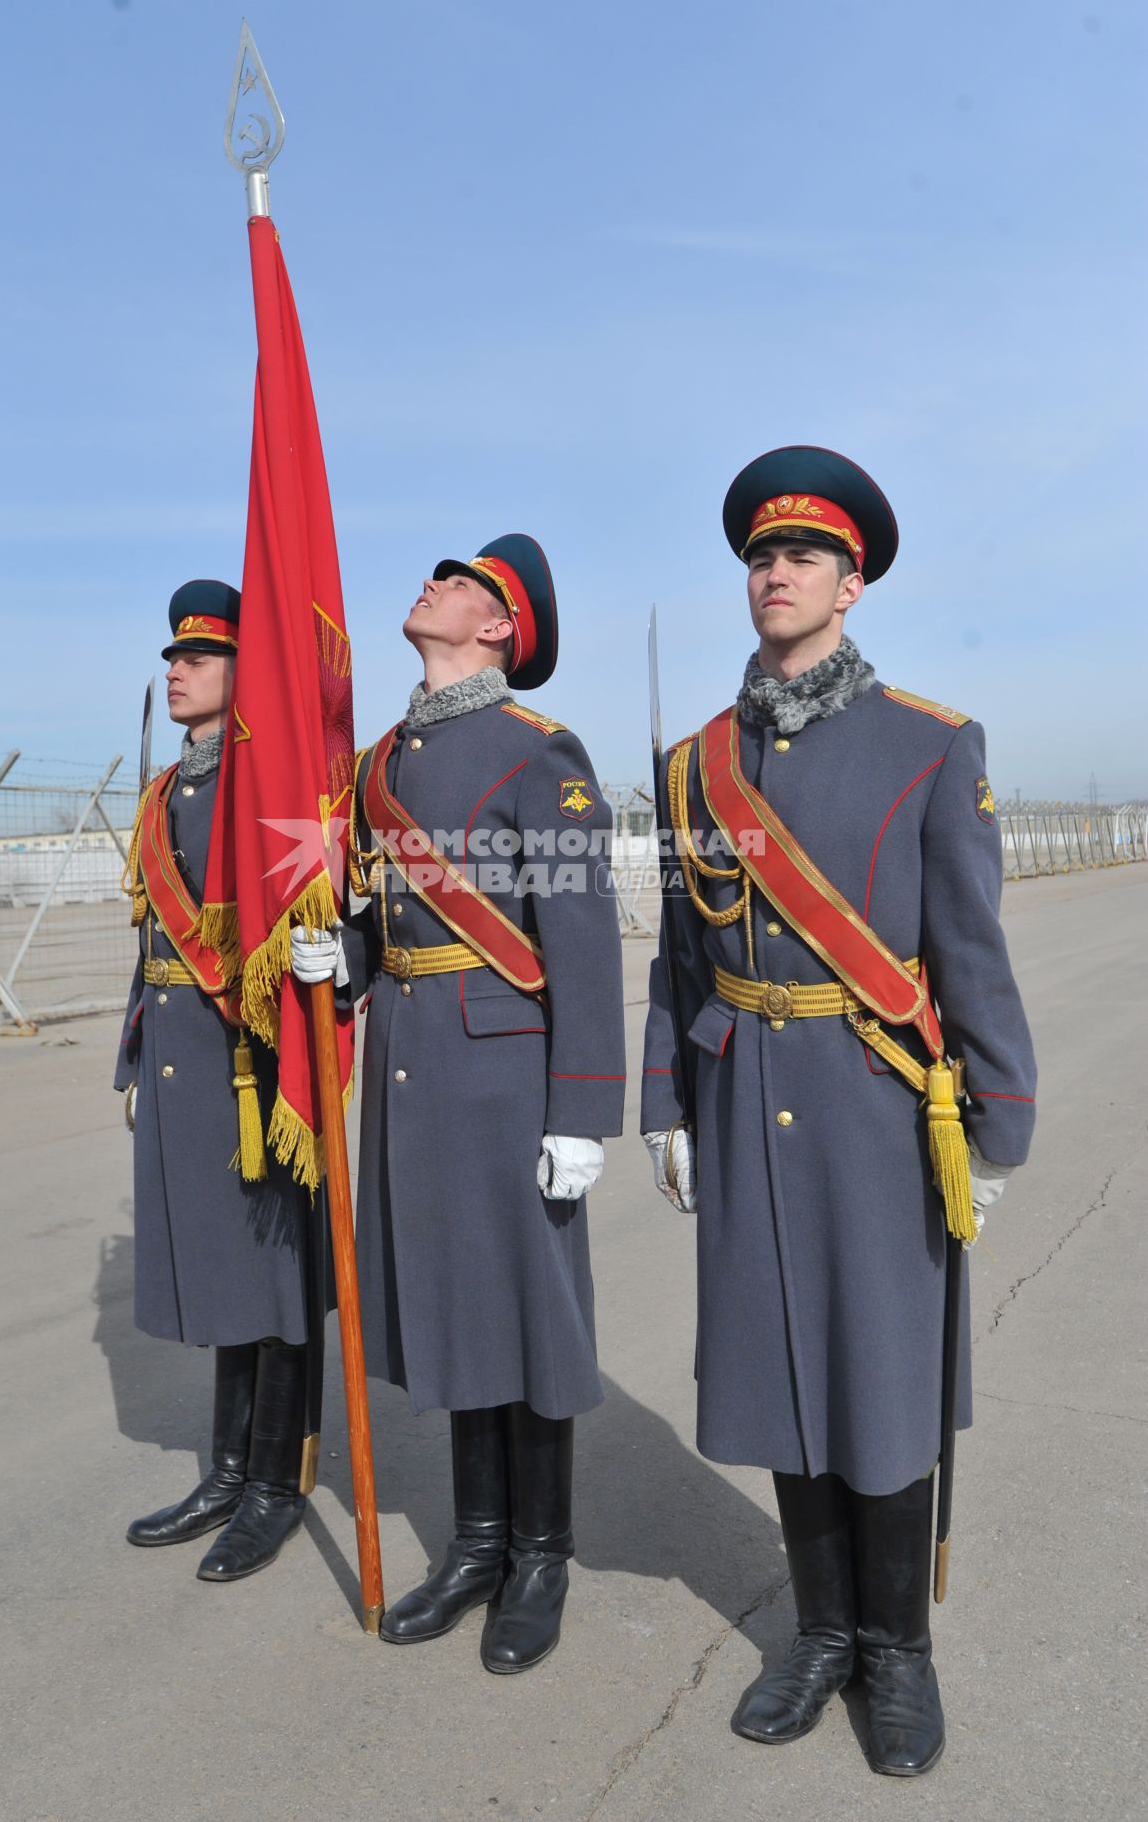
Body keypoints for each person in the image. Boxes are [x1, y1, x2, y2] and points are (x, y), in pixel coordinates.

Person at [641, 449, 1036, 1775]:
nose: (774, 574)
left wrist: (992, 1126)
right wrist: (669, 1102)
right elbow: (677, 959)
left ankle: (896, 1653)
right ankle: (817, 1635)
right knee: (775, 1370)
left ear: (850, 585)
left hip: (876, 1105)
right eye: (759, 557)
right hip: (745, 1097)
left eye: (802, 557)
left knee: (876, 1375)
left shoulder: (928, 744)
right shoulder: (696, 763)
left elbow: (969, 952)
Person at [292, 535, 626, 1672]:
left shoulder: (539, 752)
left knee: (524, 1313)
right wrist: (340, 961)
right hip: (410, 1060)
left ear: (499, 626)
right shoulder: (381, 761)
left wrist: (581, 1105)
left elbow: (578, 933)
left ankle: (540, 1554)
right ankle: (476, 1543)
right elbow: (388, 921)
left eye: (459, 582)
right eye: (437, 575)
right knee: (451, 1304)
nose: (431, 584)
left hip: (504, 1064)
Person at [117, 579, 329, 1582]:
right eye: (172, 658)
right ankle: (229, 1470)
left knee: (273, 1282)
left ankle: (276, 1488)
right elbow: (151, 933)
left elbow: (316, 917)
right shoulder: (167, 793)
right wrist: (131, 1058)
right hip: (180, 1060)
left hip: (254, 1069)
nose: (176, 671)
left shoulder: (268, 787)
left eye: (197, 659)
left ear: (245, 677)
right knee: (220, 1271)